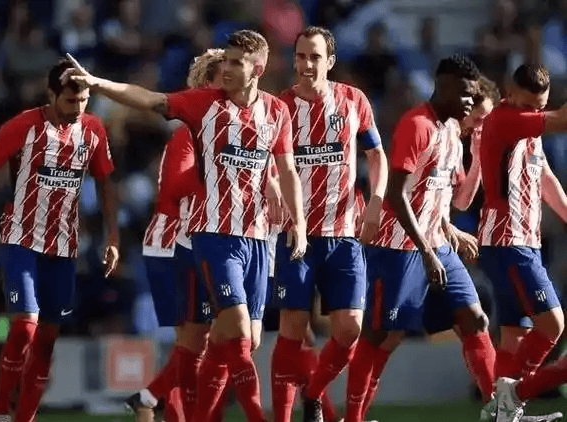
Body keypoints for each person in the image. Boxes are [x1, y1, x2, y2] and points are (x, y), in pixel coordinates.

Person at [62, 29, 307, 422]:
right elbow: (150, 101)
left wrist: (296, 217)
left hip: (257, 238)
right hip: (205, 236)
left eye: (236, 63)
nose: (227, 69)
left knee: (236, 341)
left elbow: (287, 168)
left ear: (258, 69)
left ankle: (161, 402)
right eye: (224, 63)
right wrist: (97, 83)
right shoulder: (202, 109)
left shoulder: (276, 111)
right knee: (228, 335)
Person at [0, 58, 120, 422]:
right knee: (24, 325)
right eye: (70, 101)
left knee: (46, 339)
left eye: (84, 101)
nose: (78, 109)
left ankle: (25, 417)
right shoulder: (23, 126)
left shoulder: (93, 130)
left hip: (64, 247)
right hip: (21, 238)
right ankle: (0, 413)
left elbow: (106, 182)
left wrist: (113, 236)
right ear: (51, 95)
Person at [343, 55, 497, 422]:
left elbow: (447, 197)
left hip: (437, 245)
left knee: (475, 319)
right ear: (444, 87)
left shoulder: (452, 134)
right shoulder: (417, 125)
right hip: (398, 248)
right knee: (383, 336)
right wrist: (426, 250)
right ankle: (353, 417)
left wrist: (447, 229)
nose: (469, 102)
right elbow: (397, 194)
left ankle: (501, 409)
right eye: (464, 94)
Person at [269, 26, 388, 422]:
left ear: (330, 61)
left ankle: (314, 393)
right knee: (292, 328)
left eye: (315, 56)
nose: (306, 64)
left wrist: (375, 201)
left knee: (349, 329)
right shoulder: (280, 107)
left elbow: (377, 155)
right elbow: (267, 164)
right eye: (301, 56)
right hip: (296, 235)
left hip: (344, 233)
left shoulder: (353, 100)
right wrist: (272, 187)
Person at [128, 48, 225, 422]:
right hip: (172, 243)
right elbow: (172, 189)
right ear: (204, 86)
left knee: (200, 342)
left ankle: (150, 399)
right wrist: (217, 174)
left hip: (197, 243)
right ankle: (154, 399)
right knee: (196, 341)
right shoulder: (188, 135)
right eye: (223, 79)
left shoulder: (224, 134)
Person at [475, 63, 567, 422]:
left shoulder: (528, 126)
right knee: (553, 324)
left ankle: (502, 413)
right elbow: (562, 120)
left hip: (522, 242)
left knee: (515, 333)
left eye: (539, 106)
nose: (534, 112)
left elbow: (546, 181)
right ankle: (515, 396)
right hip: (507, 241)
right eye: (528, 105)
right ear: (509, 92)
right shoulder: (506, 119)